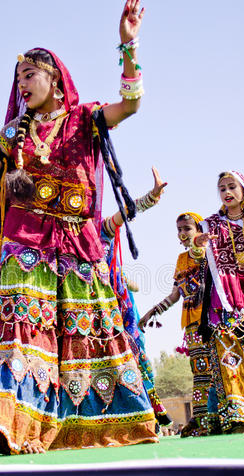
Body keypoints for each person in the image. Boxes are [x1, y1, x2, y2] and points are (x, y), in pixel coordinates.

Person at [0, 0, 157, 455]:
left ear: (56, 80)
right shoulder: (11, 137)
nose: (21, 85)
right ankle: (16, 426)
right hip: (24, 246)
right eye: (18, 78)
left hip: (79, 247)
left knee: (88, 331)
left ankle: (99, 424)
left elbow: (133, 105)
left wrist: (128, 42)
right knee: (23, 328)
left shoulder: (86, 119)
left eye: (30, 75)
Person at [195, 171, 244, 434]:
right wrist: (198, 244)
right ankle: (239, 419)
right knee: (229, 355)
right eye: (222, 189)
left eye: (231, 187)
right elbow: (196, 246)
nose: (226, 192)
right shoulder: (211, 225)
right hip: (224, 297)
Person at [100, 167, 171, 427]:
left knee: (130, 355)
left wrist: (151, 197)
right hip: (81, 312)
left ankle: (144, 413)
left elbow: (127, 212)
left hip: (114, 308)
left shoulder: (100, 228)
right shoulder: (61, 234)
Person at [139, 211, 220, 436]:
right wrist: (151, 313)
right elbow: (175, 295)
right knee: (200, 373)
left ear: (199, 231)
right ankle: (204, 419)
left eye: (188, 229)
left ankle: (217, 417)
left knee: (218, 370)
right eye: (179, 230)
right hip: (192, 324)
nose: (183, 233)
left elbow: (198, 251)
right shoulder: (180, 261)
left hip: (213, 320)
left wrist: (199, 243)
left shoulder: (207, 252)